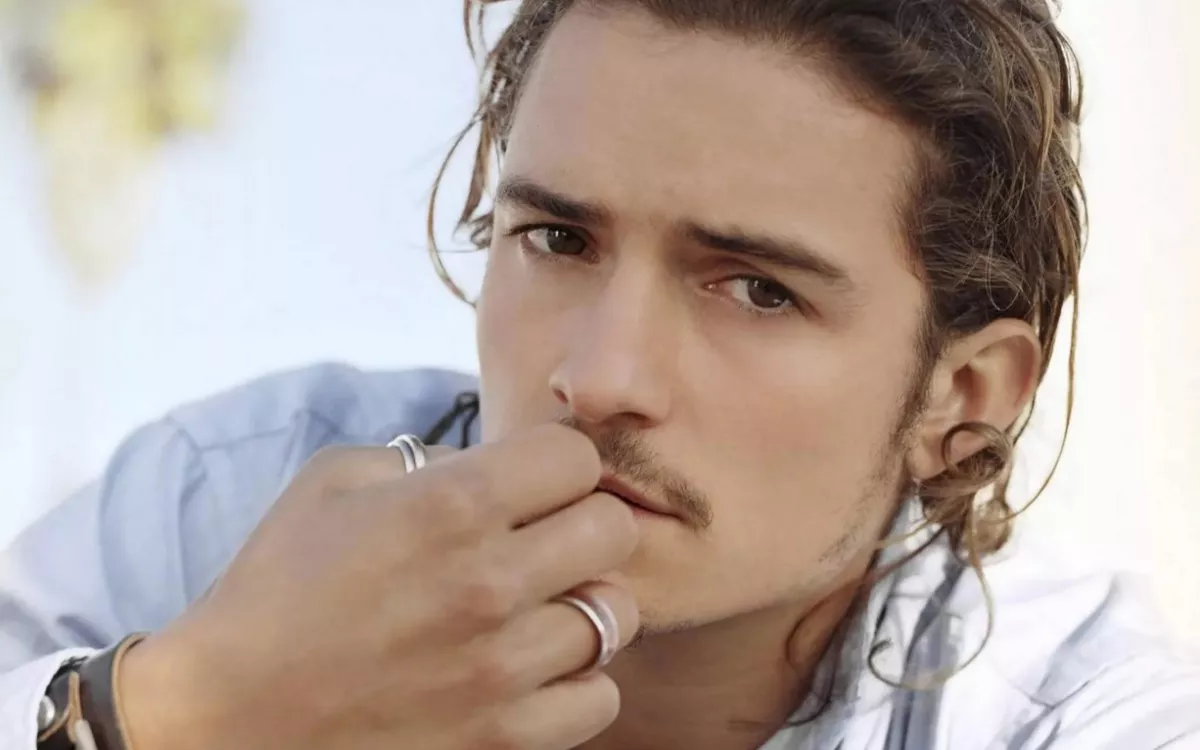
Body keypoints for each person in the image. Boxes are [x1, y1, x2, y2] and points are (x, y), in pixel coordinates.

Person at [2, 0, 1198, 748]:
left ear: (967, 399)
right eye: (559, 240)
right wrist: (183, 713)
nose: (601, 375)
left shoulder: (1078, 715)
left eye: (756, 289)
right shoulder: (223, 506)